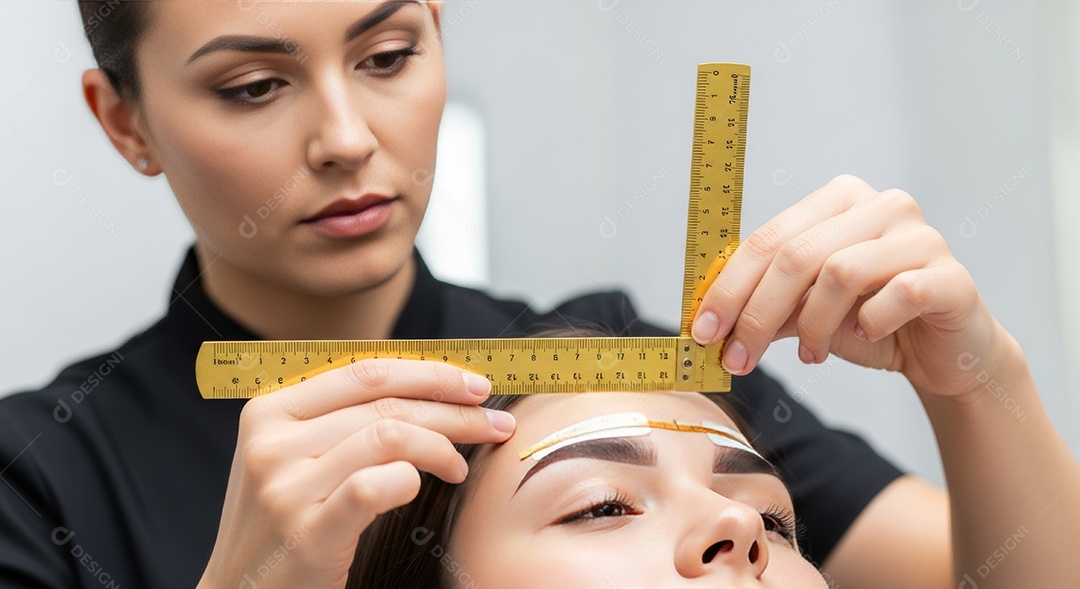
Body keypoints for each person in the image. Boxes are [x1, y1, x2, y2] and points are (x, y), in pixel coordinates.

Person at [0, 1, 1073, 588]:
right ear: (124, 120)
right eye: (254, 86)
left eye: (387, 53)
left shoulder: (630, 361)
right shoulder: (38, 476)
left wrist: (982, 379)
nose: (345, 138)